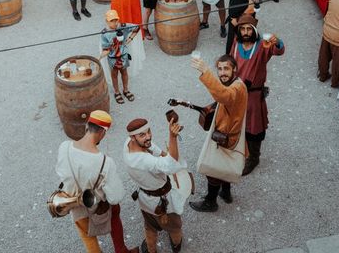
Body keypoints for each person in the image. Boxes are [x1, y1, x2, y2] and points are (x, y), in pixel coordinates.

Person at [55, 110, 139, 253]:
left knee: (88, 238)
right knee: (115, 210)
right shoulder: (106, 162)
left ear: (87, 125)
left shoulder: (64, 146)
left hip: (72, 206)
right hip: (94, 208)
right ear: (103, 133)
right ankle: (121, 250)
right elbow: (115, 197)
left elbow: (61, 172)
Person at [189, 55, 248, 212]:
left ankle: (210, 202)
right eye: (220, 69)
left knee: (214, 170)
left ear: (235, 69)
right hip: (230, 136)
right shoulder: (232, 83)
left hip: (225, 137)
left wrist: (206, 71)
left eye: (226, 68)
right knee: (224, 165)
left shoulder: (237, 87)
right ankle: (226, 193)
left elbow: (224, 96)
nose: (222, 73)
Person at [230, 14, 284, 175]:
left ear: (254, 31)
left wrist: (278, 41)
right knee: (238, 123)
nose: (246, 32)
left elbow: (278, 50)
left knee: (255, 127)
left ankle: (254, 157)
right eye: (243, 29)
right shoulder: (236, 42)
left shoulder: (262, 46)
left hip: (253, 95)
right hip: (236, 92)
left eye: (248, 29)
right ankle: (242, 150)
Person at [123, 117, 187, 253]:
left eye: (148, 132)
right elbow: (171, 165)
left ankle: (151, 250)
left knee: (150, 227)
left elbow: (149, 145)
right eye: (142, 135)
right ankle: (176, 246)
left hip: (145, 199)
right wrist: (172, 136)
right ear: (133, 137)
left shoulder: (128, 143)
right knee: (175, 227)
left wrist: (161, 153)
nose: (148, 137)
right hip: (163, 201)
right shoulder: (145, 160)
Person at [100, 10, 140, 104]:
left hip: (123, 55)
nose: (114, 23)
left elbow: (137, 27)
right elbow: (106, 49)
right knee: (114, 75)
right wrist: (101, 56)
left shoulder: (124, 26)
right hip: (113, 58)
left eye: (116, 20)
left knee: (124, 72)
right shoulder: (105, 33)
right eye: (112, 21)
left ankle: (125, 90)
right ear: (107, 21)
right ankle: (117, 92)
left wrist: (130, 38)